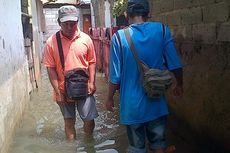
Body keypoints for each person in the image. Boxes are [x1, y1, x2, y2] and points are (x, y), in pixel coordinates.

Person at [106, 0, 183, 153]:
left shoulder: (119, 38)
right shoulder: (162, 30)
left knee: (136, 148)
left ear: (127, 15)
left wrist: (109, 98)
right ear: (149, 14)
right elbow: (175, 64)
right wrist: (179, 85)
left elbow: (115, 77)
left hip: (131, 107)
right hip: (156, 102)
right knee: (159, 145)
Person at [43, 5, 98, 140]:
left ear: (77, 22)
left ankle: (89, 144)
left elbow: (92, 61)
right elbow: (50, 68)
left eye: (72, 24)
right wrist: (57, 91)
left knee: (89, 120)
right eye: (65, 24)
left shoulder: (86, 39)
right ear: (59, 23)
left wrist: (92, 82)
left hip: (84, 87)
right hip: (63, 89)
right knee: (69, 122)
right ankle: (71, 147)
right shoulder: (51, 42)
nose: (69, 27)